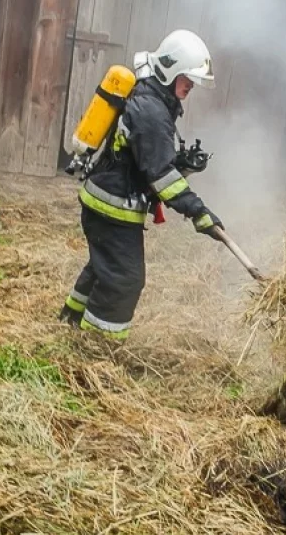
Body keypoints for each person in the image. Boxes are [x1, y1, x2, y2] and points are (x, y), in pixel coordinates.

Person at [59, 29, 223, 340]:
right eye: (187, 78)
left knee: (103, 267)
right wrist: (197, 211)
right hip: (113, 207)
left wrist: (181, 164)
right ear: (170, 70)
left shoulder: (153, 101)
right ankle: (97, 345)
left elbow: (144, 161)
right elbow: (160, 177)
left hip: (108, 201)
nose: (190, 86)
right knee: (124, 278)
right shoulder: (151, 111)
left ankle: (71, 319)